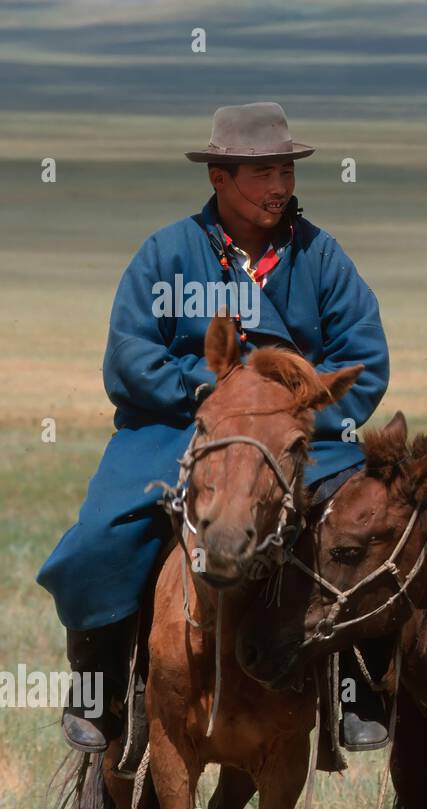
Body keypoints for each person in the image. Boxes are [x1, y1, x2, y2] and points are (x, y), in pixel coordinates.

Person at [38, 102, 393, 760]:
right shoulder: (168, 253)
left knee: (366, 525)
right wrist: (205, 390)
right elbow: (130, 355)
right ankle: (99, 684)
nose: (279, 186)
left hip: (294, 437)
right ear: (219, 178)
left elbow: (363, 359)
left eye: (284, 170)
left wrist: (298, 414)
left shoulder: (319, 256)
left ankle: (360, 690)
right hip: (179, 428)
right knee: (98, 540)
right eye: (261, 172)